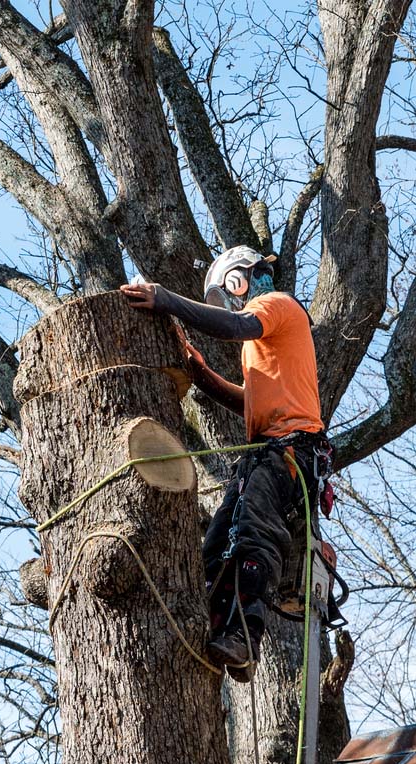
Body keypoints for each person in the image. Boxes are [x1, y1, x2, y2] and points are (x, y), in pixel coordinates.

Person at [120, 247, 330, 682]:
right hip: (269, 451)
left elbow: (236, 325)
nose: (233, 304)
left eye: (230, 295)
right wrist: (200, 374)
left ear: (238, 280)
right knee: (216, 542)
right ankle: (219, 628)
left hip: (290, 450)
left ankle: (245, 634)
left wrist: (166, 299)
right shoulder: (267, 348)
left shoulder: (276, 304)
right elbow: (249, 402)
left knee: (253, 530)